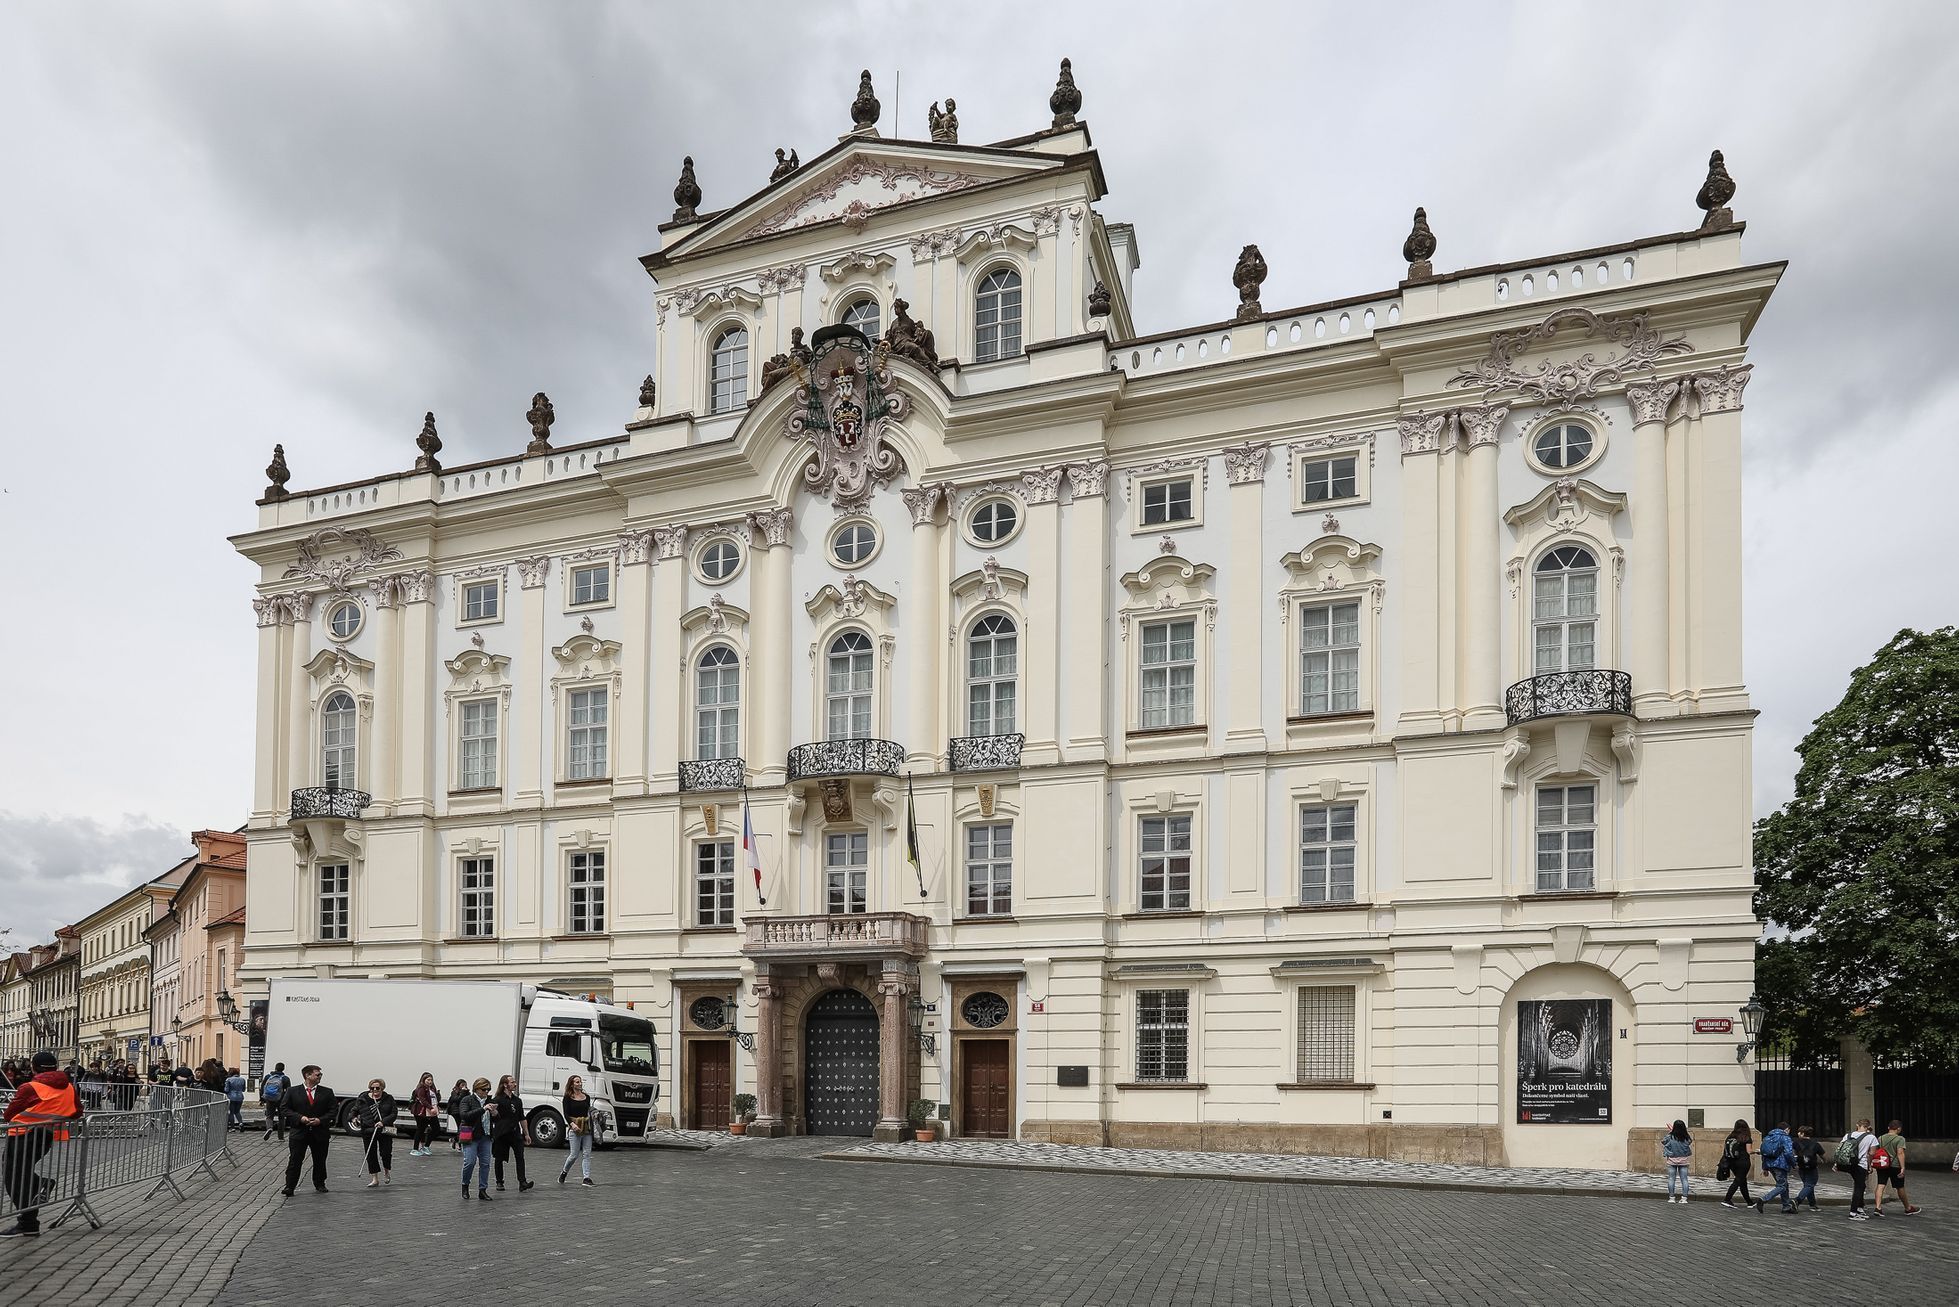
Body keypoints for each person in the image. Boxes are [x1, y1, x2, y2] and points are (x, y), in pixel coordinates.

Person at [0, 1051, 81, 1240]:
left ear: (34, 1068)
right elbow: (77, 1112)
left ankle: (28, 1223)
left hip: (22, 1136)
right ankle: (40, 1191)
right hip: (46, 1137)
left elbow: (9, 1114)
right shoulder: (68, 1087)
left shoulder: (30, 1087)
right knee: (23, 1174)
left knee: (15, 1178)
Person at [279, 1065, 337, 1198]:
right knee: (295, 1159)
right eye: (317, 1075)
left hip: (319, 1132)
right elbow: (285, 1108)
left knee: (320, 1159)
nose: (320, 1077)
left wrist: (320, 1120)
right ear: (307, 1075)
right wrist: (300, 1118)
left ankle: (319, 1183)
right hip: (299, 1132)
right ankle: (290, 1186)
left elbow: (333, 1111)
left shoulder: (327, 1092)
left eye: (320, 1075)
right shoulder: (292, 1091)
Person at [490, 1074, 535, 1192]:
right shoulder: (497, 1100)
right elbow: (493, 1118)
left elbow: (522, 1118)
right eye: (512, 1082)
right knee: (499, 1158)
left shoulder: (517, 1100)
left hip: (515, 1133)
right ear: (505, 1085)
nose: (515, 1084)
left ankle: (522, 1182)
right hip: (502, 1133)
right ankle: (499, 1182)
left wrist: (526, 1134)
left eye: (515, 1082)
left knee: (520, 1156)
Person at [351, 1079, 399, 1187]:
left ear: (382, 1088)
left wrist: (383, 1122)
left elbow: (394, 1113)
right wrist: (354, 1118)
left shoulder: (388, 1098)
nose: (375, 1090)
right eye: (372, 1088)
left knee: (386, 1153)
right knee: (370, 1154)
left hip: (384, 1130)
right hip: (368, 1130)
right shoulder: (363, 1098)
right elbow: (354, 1110)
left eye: (378, 1088)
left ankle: (386, 1171)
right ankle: (375, 1178)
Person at [1871, 1119, 1922, 1216]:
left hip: (1882, 1164)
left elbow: (1877, 1151)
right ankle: (1908, 1208)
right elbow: (1900, 1153)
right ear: (1898, 1129)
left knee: (1881, 1184)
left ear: (1888, 1128)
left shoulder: (1880, 1138)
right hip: (1895, 1165)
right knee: (1899, 1187)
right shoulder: (1900, 1139)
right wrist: (1902, 1167)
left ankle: (1878, 1207)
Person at [455, 1077, 494, 1200]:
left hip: (486, 1136)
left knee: (485, 1163)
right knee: (470, 1162)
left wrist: (495, 1113)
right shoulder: (467, 1100)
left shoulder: (489, 1100)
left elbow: (497, 1118)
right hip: (471, 1135)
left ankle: (483, 1189)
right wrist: (483, 1109)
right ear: (476, 1089)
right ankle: (465, 1185)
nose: (486, 1092)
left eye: (488, 1089)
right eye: (484, 1089)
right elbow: (465, 1115)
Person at [559, 1074, 596, 1188]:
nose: (579, 1084)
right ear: (571, 1084)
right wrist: (572, 1124)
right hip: (574, 1128)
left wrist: (594, 1115)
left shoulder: (586, 1097)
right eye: (577, 1082)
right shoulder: (567, 1097)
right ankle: (564, 1172)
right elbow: (566, 1113)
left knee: (587, 1154)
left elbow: (588, 1111)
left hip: (586, 1127)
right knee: (574, 1155)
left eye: (580, 1081)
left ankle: (586, 1178)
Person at [1837, 1117, 1876, 1220]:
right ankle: (1853, 1212)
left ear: (1857, 1126)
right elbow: (1872, 1153)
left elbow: (1840, 1149)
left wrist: (1837, 1164)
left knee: (1861, 1185)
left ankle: (1860, 1208)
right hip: (1861, 1165)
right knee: (1859, 1187)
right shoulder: (1871, 1137)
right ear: (1868, 1127)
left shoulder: (1848, 1135)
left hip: (1849, 1164)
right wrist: (1869, 1165)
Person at [1720, 1119, 1761, 1211]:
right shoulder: (1746, 1137)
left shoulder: (1730, 1136)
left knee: (1742, 1181)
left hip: (1732, 1162)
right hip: (1743, 1162)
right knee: (1738, 1181)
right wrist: (1757, 1151)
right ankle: (1727, 1199)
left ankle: (1749, 1202)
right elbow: (1749, 1151)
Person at [1759, 1120, 1796, 1213]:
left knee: (1784, 1185)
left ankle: (1786, 1206)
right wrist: (1794, 1163)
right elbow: (1788, 1153)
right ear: (1787, 1129)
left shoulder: (1767, 1137)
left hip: (1770, 1164)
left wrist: (1765, 1167)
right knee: (1782, 1186)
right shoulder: (1785, 1137)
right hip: (1780, 1165)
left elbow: (1763, 1153)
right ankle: (1764, 1199)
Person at [1792, 1125, 1825, 1212]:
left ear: (1802, 1134)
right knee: (1810, 1185)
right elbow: (1822, 1154)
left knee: (1808, 1185)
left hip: (1801, 1167)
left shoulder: (1796, 1143)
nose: (1798, 1133)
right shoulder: (1815, 1144)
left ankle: (1812, 1204)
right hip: (1812, 1167)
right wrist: (1823, 1160)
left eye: (1799, 1132)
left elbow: (1793, 1153)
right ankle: (1797, 1200)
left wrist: (1794, 1163)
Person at [408, 1072, 440, 1156]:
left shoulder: (432, 1089)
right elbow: (423, 1100)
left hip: (432, 1112)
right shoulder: (421, 1088)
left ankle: (426, 1146)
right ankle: (415, 1149)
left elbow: (435, 1099)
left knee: (436, 1128)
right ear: (423, 1080)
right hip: (421, 1112)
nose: (430, 1081)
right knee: (420, 1129)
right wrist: (431, 1108)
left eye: (431, 1080)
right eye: (428, 1080)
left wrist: (437, 1096)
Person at [1661, 1119, 1693, 1202]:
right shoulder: (1686, 1137)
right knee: (1684, 1179)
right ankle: (1684, 1198)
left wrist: (1670, 1132)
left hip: (1672, 1160)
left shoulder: (1670, 1136)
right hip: (1683, 1160)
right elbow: (1689, 1141)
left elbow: (1663, 1141)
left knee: (1671, 1179)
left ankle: (1671, 1198)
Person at [261, 1063, 290, 1142]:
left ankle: (269, 1128)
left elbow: (262, 1087)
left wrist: (262, 1099)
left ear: (275, 1068)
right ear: (283, 1069)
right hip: (281, 1100)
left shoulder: (268, 1077)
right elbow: (288, 1091)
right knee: (281, 1117)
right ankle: (280, 1137)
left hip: (269, 1099)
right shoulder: (285, 1078)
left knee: (269, 1115)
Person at [445, 1078, 470, 1152]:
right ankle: (459, 1144)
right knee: (460, 1127)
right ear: (458, 1085)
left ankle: (455, 1140)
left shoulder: (466, 1092)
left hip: (463, 1111)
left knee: (462, 1127)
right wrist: (463, 1092)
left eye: (465, 1085)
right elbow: (457, 1099)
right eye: (462, 1085)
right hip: (456, 1111)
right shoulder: (454, 1091)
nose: (464, 1086)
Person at [223, 1067, 247, 1131]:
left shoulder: (229, 1079)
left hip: (231, 1097)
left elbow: (226, 1089)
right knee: (237, 1111)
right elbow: (244, 1089)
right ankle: (241, 1123)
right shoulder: (242, 1079)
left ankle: (232, 1127)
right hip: (240, 1097)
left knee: (231, 1112)